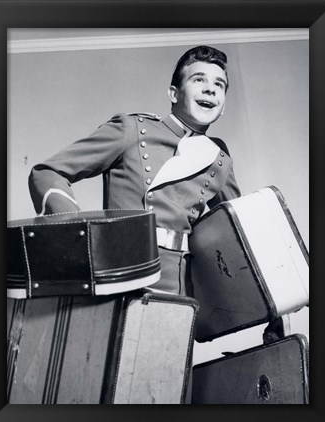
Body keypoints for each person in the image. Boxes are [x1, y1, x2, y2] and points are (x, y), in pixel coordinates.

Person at [29, 45, 241, 296]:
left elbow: (240, 233)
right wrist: (78, 239)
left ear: (223, 105)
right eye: (198, 79)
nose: (210, 88)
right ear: (174, 93)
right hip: (121, 270)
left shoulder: (219, 159)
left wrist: (273, 312)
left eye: (219, 85)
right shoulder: (131, 128)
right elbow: (47, 173)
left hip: (178, 285)